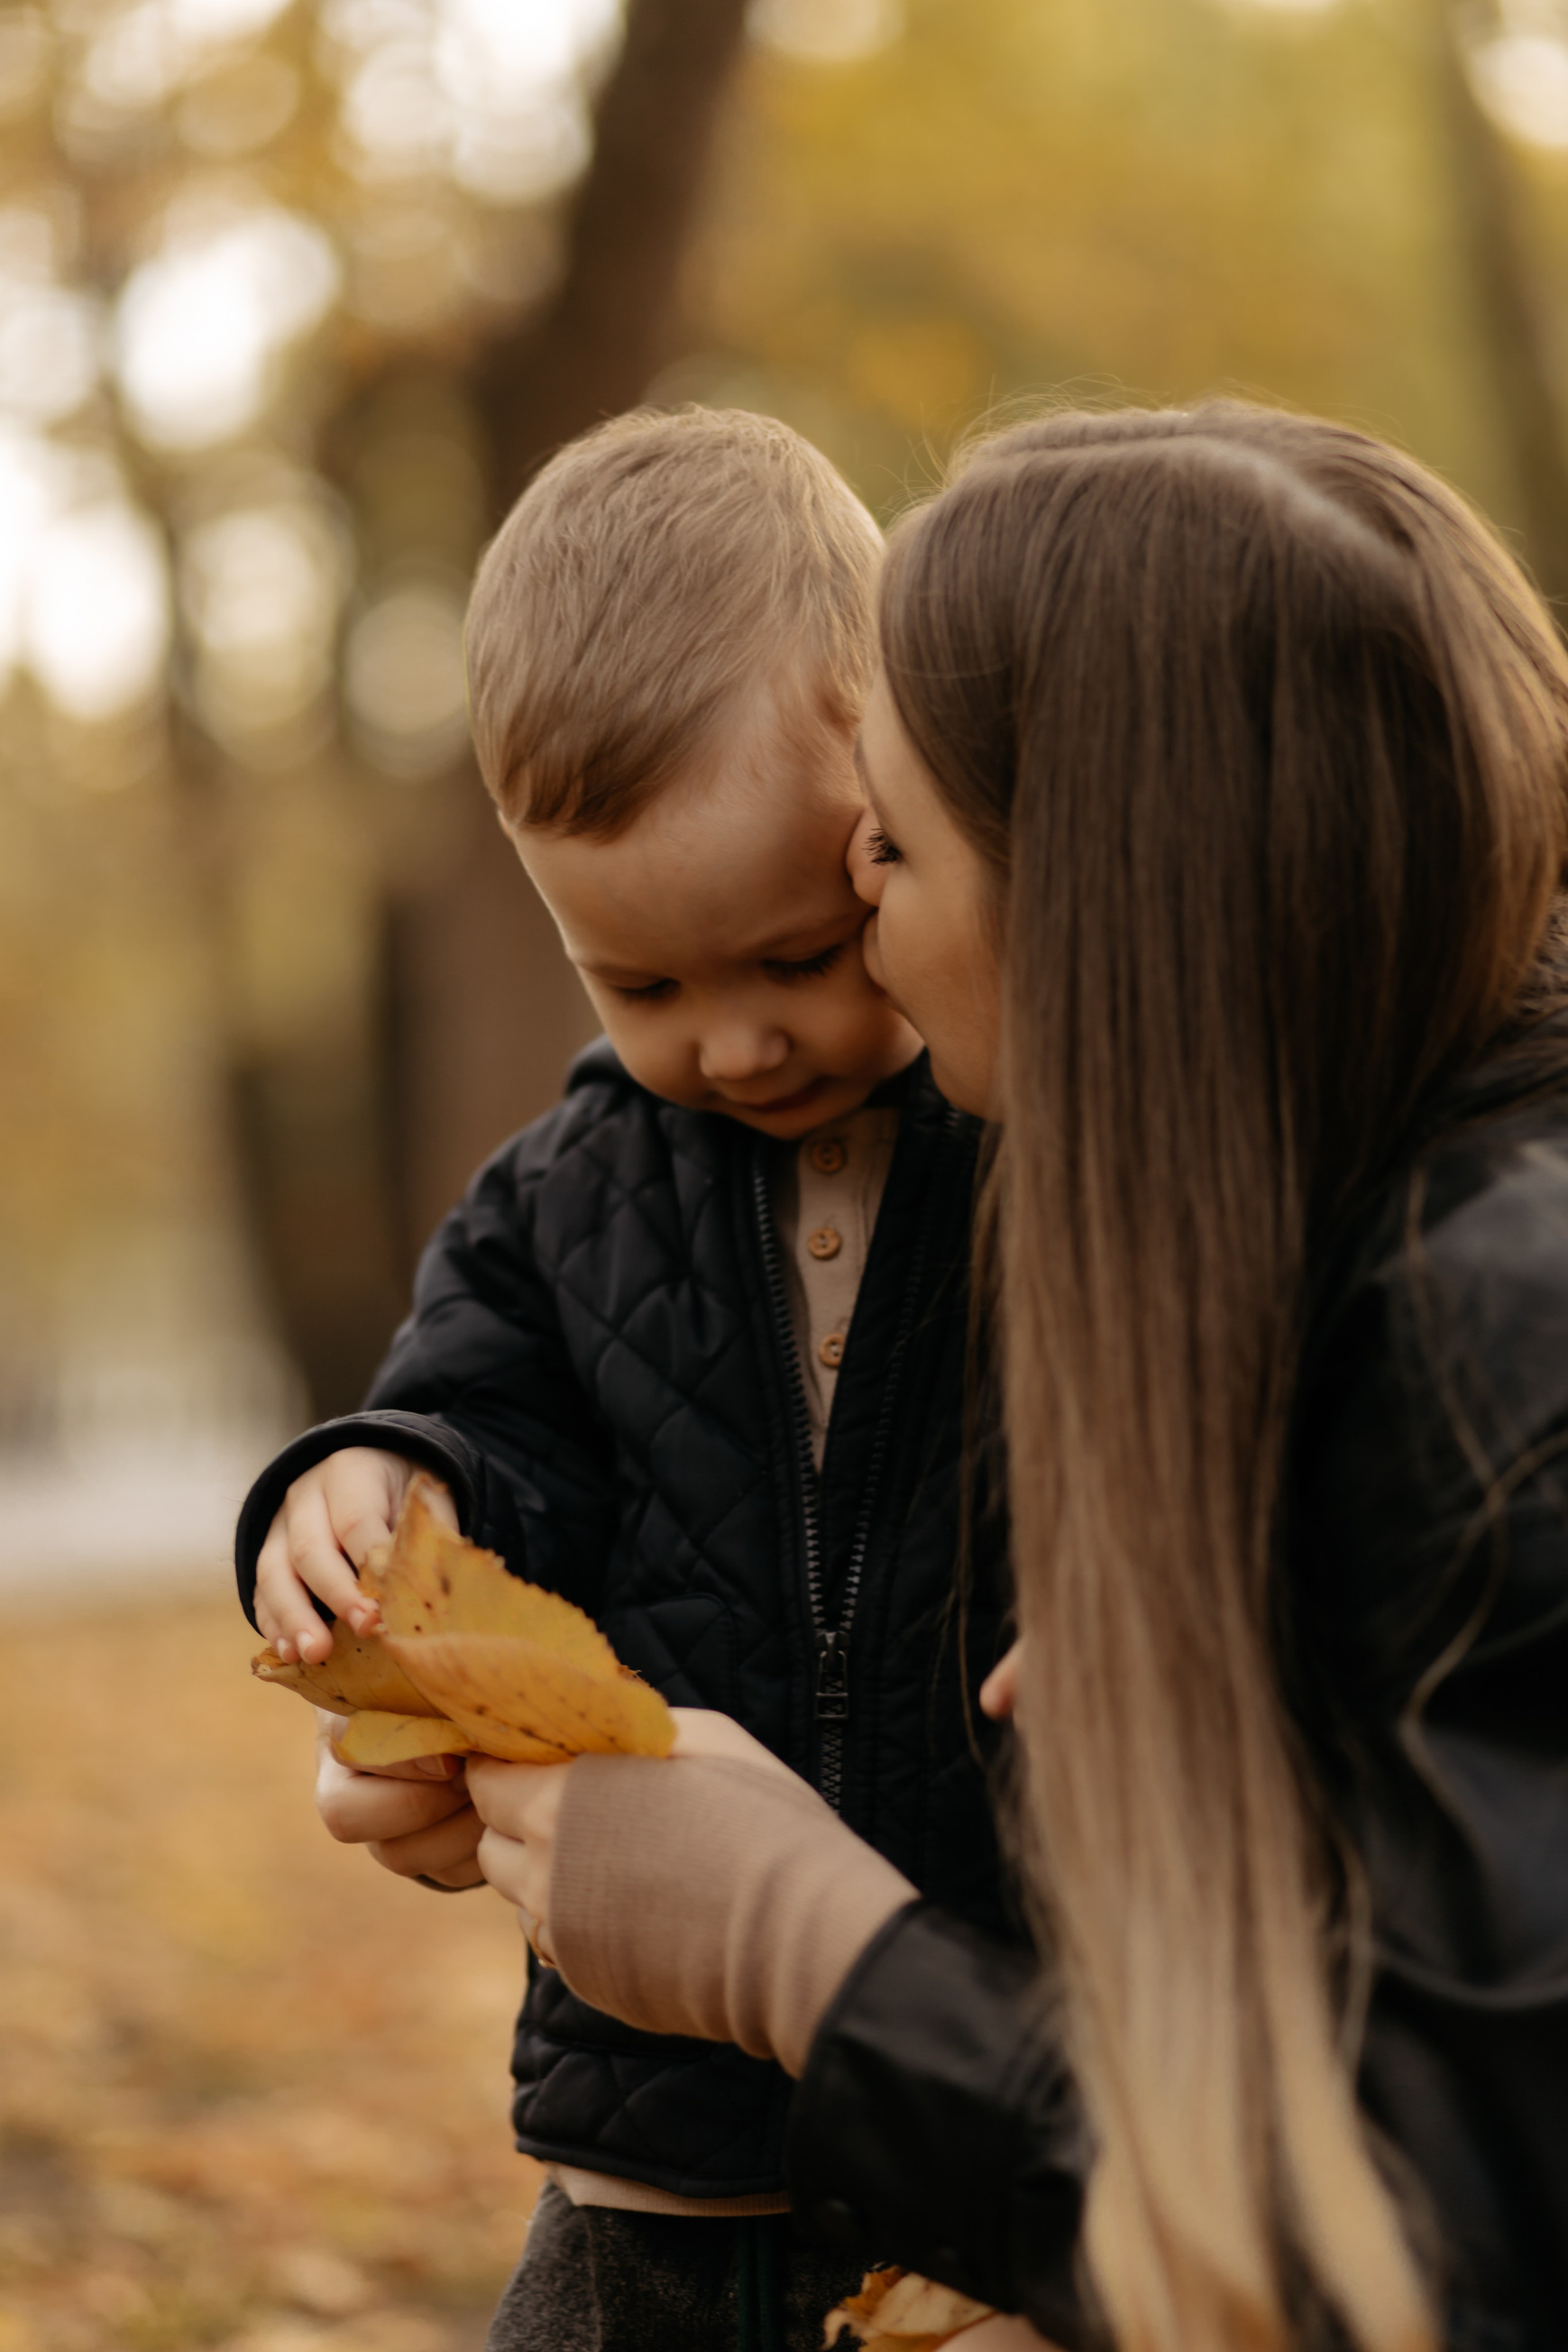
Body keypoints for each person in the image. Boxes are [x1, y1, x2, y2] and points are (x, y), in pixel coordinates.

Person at [464, 403, 1568, 2352]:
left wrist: (806, 1948)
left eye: (885, 841)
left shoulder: (1503, 1362)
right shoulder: (1365, 1270)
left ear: (1096, 895)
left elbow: (1441, 2245)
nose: (856, 916)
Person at [233, 406, 1018, 2352]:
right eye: (644, 989)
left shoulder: (1044, 1135)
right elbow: (480, 1424)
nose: (741, 1044)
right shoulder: (570, 1194)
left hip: (984, 2087)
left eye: (799, 952)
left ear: (896, 805)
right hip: (653, 2128)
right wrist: (367, 1488)